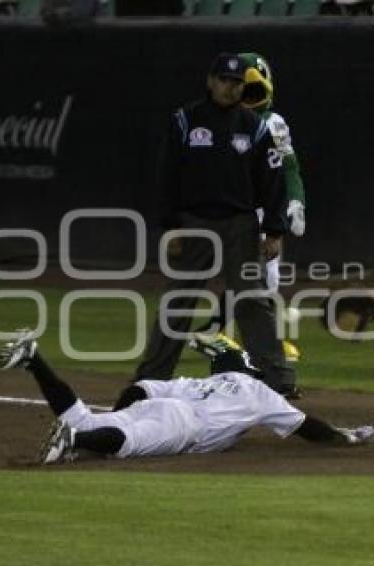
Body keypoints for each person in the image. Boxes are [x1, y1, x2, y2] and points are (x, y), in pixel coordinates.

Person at [130, 52, 297, 403]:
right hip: (194, 223)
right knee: (179, 300)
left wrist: (275, 230)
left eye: (236, 82)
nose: (229, 87)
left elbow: (273, 179)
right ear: (210, 81)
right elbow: (167, 175)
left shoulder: (254, 126)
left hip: (240, 224)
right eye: (223, 80)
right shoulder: (185, 121)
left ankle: (278, 377)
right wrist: (170, 226)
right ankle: (151, 378)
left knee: (252, 300)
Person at [0, 330, 374, 464]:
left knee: (91, 421)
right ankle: (74, 440)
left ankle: (34, 360)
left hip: (157, 404)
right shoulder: (258, 390)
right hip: (185, 424)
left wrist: (117, 416)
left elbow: (138, 389)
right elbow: (308, 427)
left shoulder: (197, 381)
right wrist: (345, 436)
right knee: (125, 445)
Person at [193, 52, 307, 363]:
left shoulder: (274, 123)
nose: (246, 97)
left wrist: (296, 202)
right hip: (237, 208)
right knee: (256, 275)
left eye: (252, 90)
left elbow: (290, 167)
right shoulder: (217, 123)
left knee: (263, 276)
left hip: (264, 207)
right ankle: (225, 334)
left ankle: (218, 332)